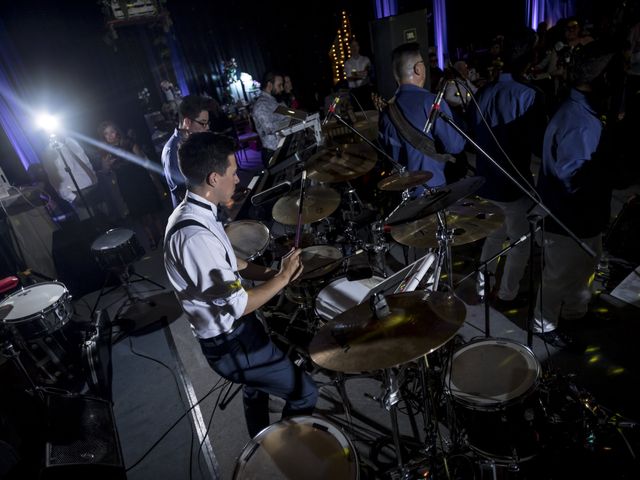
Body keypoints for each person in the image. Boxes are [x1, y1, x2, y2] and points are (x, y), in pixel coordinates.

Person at [163, 132, 317, 437]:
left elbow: (230, 261)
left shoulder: (195, 213)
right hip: (230, 345)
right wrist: (284, 278)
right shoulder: (195, 237)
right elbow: (239, 304)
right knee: (306, 392)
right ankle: (290, 456)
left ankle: (259, 442)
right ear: (213, 178)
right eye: (233, 173)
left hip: (236, 334)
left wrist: (272, 273)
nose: (237, 179)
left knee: (255, 388)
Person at [533, 41, 621, 346]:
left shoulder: (581, 111)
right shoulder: (580, 123)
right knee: (559, 274)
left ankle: (575, 312)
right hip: (569, 219)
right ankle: (543, 325)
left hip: (583, 218)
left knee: (583, 269)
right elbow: (571, 178)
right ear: (601, 80)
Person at [470, 28, 547, 305]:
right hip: (513, 185)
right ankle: (506, 294)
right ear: (530, 57)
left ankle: (481, 289)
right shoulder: (529, 95)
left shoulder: (483, 92)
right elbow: (539, 146)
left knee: (493, 238)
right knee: (520, 242)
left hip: (485, 182)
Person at [378, 42, 466, 191]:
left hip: (403, 193)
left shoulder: (386, 112)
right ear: (418, 69)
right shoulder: (432, 102)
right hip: (433, 189)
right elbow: (455, 146)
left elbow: (388, 156)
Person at [98, 121, 165, 249]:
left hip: (141, 178)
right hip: (126, 184)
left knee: (152, 209)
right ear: (104, 137)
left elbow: (142, 160)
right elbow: (105, 171)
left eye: (112, 131)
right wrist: (108, 164)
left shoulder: (128, 142)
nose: (110, 135)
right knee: (139, 213)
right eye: (106, 134)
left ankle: (162, 235)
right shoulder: (106, 151)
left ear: (116, 131)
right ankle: (151, 238)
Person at [161, 95, 212, 208]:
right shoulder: (173, 151)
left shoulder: (195, 140)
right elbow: (183, 192)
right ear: (187, 122)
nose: (207, 127)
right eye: (203, 123)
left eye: (208, 123)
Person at [40, 135, 101, 221]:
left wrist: (94, 177)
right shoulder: (48, 152)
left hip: (94, 185)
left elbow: (85, 161)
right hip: (78, 192)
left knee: (107, 219)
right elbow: (55, 179)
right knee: (91, 222)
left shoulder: (71, 141)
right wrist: (72, 197)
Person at [251, 71, 290, 167]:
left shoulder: (276, 101)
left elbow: (291, 116)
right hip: (273, 153)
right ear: (269, 85)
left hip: (283, 148)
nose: (281, 88)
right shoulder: (261, 105)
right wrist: (290, 121)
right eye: (279, 85)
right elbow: (269, 128)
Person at [344, 39, 373, 110]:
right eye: (352, 46)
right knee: (358, 112)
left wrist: (356, 75)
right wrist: (361, 75)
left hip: (365, 89)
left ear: (359, 47)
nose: (354, 48)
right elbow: (349, 78)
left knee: (368, 110)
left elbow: (369, 73)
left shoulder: (366, 59)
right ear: (350, 48)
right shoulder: (347, 63)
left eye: (356, 45)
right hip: (354, 92)